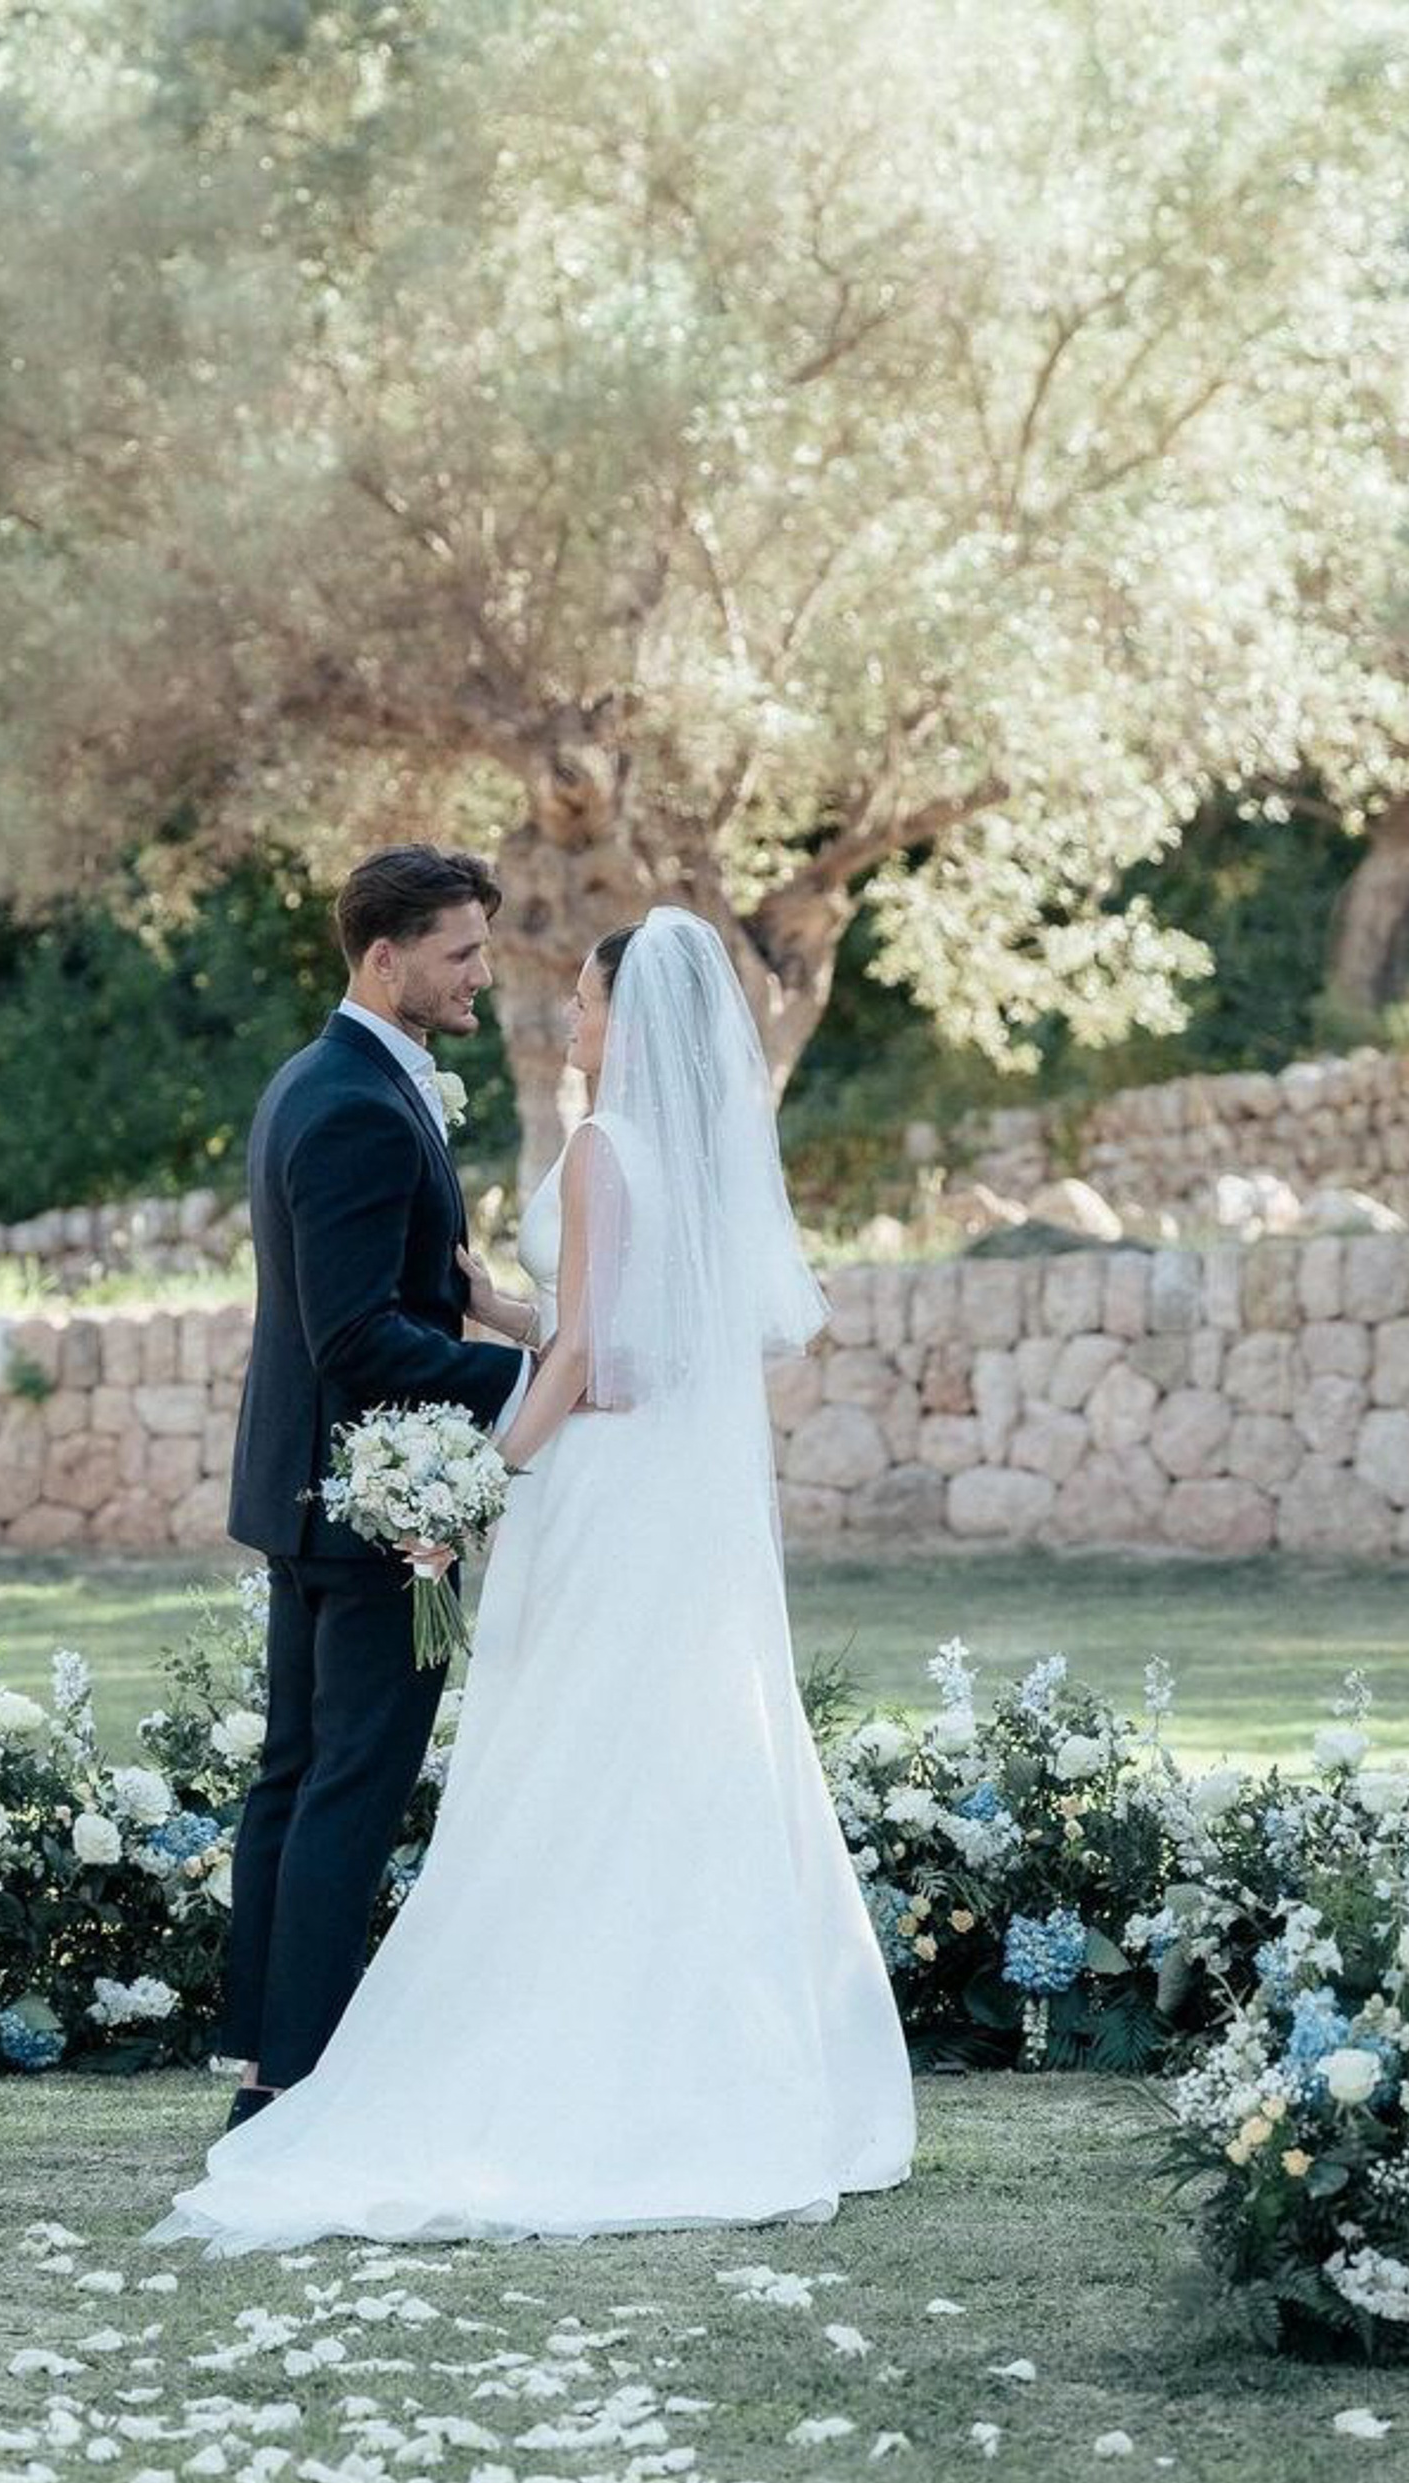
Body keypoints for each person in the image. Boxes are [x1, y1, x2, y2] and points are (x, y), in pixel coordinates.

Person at [151, 903, 915, 2251]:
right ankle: (709, 2051)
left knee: (559, 1761)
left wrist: (480, 1477)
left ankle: (392, 2063)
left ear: (637, 1021)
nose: (568, 1017)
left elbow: (584, 1370)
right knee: (649, 1759)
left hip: (595, 1495)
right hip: (658, 1504)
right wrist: (509, 1315)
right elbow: (635, 1340)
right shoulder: (682, 1161)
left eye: (589, 1000)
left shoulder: (604, 1145)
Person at [211, 842, 535, 2130]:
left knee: (298, 1777)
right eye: (460, 953)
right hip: (368, 1513)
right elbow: (351, 1336)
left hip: (315, 1499)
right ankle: (296, 2084)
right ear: (384, 956)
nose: (482, 975)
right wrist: (522, 1386)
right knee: (345, 1783)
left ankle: (264, 2068)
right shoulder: (350, 1101)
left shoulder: (324, 1078)